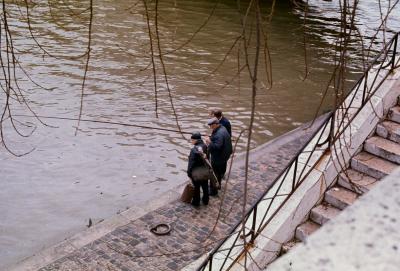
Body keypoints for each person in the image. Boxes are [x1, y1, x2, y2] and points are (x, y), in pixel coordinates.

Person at [205, 117, 232, 196]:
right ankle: (219, 184)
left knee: (214, 173)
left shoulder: (219, 134)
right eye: (209, 125)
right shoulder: (222, 128)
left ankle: (213, 191)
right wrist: (211, 138)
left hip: (218, 157)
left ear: (216, 124)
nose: (210, 127)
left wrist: (209, 142)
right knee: (220, 171)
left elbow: (217, 146)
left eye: (211, 125)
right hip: (225, 155)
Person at [187, 132, 209, 206]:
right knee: (205, 186)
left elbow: (191, 163)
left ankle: (196, 202)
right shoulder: (205, 146)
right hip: (205, 170)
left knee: (196, 188)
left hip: (196, 172)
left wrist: (189, 173)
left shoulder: (194, 150)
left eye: (192, 140)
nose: (191, 141)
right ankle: (206, 200)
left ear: (195, 140)